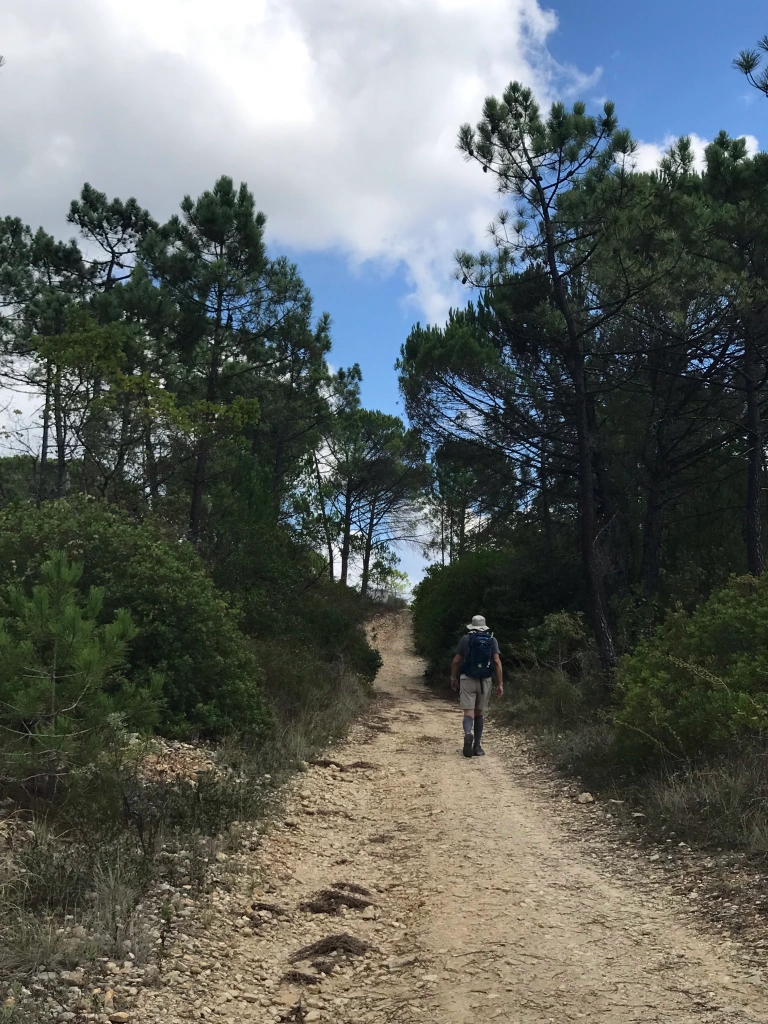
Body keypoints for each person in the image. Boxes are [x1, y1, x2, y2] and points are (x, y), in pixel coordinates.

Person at [450, 615, 504, 757]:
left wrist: (453, 678)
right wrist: (500, 683)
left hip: (467, 678)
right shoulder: (492, 640)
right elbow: (497, 662)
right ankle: (477, 746)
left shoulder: (466, 639)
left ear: (472, 626)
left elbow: (456, 661)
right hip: (485, 681)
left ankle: (468, 733)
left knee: (468, 713)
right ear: (484, 626)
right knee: (479, 713)